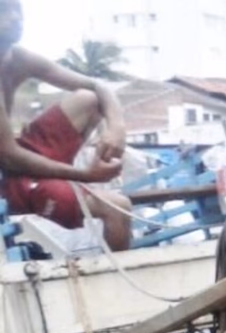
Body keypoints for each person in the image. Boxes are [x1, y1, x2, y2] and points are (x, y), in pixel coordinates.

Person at [0, 0, 131, 251]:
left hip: (22, 156)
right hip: (10, 179)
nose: (16, 17)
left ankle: (63, 180)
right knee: (119, 209)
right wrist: (86, 175)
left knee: (88, 98)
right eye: (4, 10)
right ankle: (112, 289)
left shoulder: (19, 58)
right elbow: (8, 157)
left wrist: (117, 127)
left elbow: (98, 86)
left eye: (18, 9)